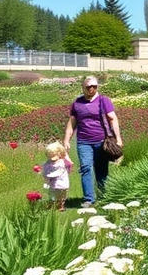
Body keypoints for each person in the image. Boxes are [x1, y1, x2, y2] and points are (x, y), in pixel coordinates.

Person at [64, 76, 122, 208]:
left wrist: (118, 138)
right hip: (83, 142)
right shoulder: (77, 103)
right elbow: (72, 123)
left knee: (101, 170)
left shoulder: (103, 101)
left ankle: (102, 197)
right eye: (89, 86)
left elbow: (113, 119)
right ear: (83, 87)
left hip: (102, 141)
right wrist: (66, 140)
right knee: (86, 168)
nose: (92, 89)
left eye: (94, 86)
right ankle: (89, 199)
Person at [41, 141, 73, 211]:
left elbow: (70, 165)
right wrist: (44, 175)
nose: (52, 159)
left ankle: (61, 206)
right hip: (53, 184)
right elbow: (45, 169)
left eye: (54, 156)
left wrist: (69, 167)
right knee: (52, 195)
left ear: (59, 154)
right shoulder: (48, 162)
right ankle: (51, 205)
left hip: (62, 183)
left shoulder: (62, 162)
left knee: (62, 195)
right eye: (50, 156)